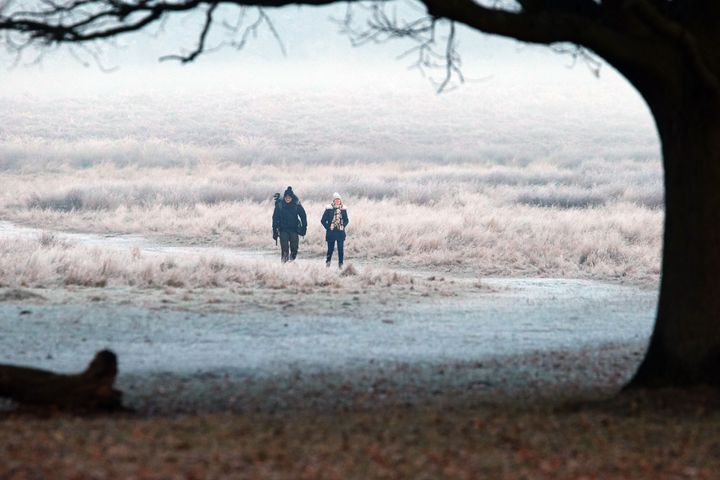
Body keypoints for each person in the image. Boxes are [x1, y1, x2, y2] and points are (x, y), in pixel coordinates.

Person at [272, 186, 307, 263]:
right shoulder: (279, 205)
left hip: (294, 230)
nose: (288, 198)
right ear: (284, 197)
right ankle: (284, 266)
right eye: (286, 197)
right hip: (283, 230)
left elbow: (303, 216)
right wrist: (274, 231)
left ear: (292, 197)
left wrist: (304, 227)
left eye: (289, 197)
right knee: (285, 250)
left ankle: (291, 263)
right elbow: (274, 219)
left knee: (294, 249)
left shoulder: (296, 204)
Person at [321, 192, 349, 268]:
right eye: (336, 200)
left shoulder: (343, 209)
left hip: (340, 232)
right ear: (333, 200)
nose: (337, 201)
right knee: (330, 249)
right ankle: (328, 263)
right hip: (331, 233)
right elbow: (323, 220)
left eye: (339, 200)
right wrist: (328, 227)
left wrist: (343, 226)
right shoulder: (329, 209)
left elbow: (346, 220)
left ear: (340, 200)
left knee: (340, 249)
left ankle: (341, 265)